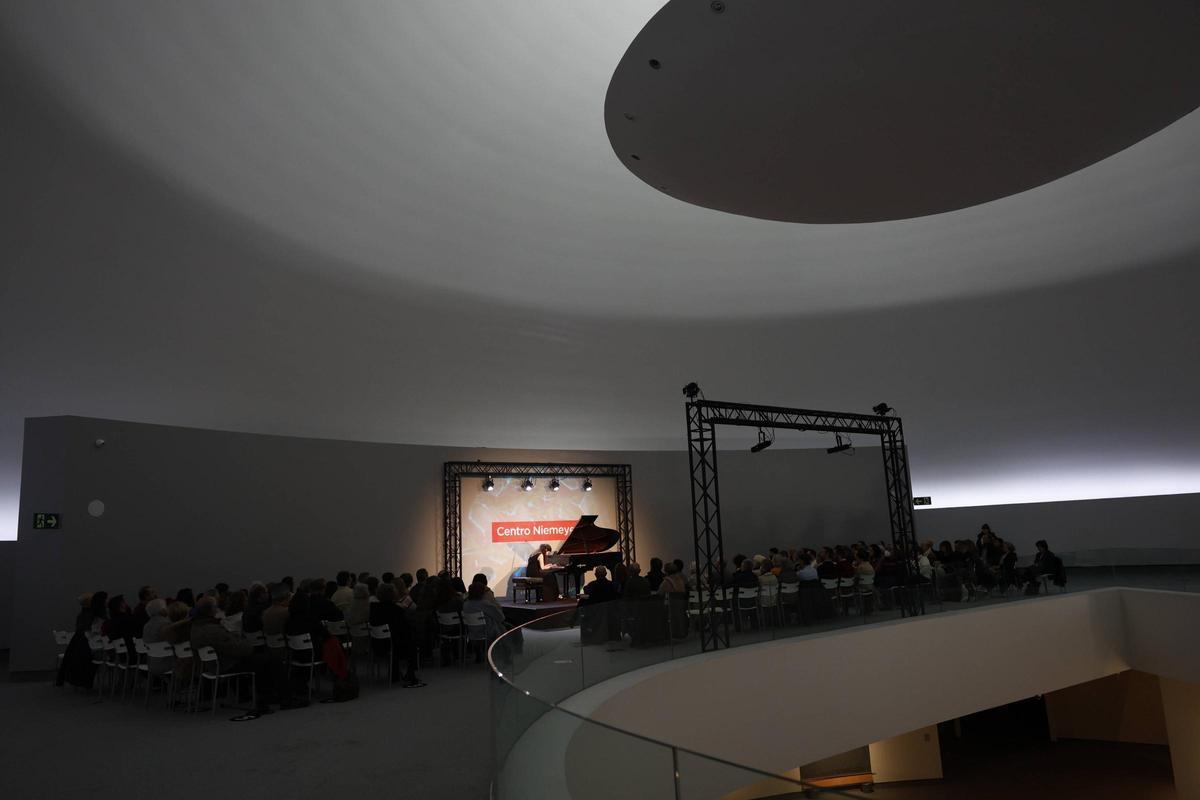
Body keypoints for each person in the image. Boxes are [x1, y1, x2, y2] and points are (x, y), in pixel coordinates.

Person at [190, 596, 290, 719]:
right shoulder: (212, 630)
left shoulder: (197, 627)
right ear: (211, 610)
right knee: (270, 661)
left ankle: (270, 696)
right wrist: (244, 643)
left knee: (264, 659)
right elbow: (238, 648)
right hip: (226, 664)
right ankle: (281, 697)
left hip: (213, 663)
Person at [369, 583, 426, 687]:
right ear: (392, 595)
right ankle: (411, 673)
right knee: (411, 641)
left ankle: (395, 673)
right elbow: (404, 629)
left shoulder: (373, 609)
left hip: (377, 644)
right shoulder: (396, 610)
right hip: (394, 645)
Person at [463, 582, 507, 646]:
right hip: (487, 633)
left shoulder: (465, 604)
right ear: (482, 592)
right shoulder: (485, 604)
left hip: (471, 633)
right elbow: (501, 618)